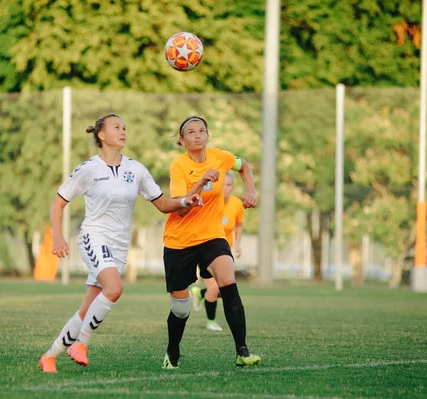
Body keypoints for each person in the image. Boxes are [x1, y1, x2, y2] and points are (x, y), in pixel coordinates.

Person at [38, 114, 202, 372]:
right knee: (114, 288)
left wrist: (184, 202)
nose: (123, 131)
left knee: (87, 309)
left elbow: (162, 204)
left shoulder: (136, 169)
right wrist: (57, 237)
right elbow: (58, 204)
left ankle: (49, 356)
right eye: (117, 127)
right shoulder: (88, 169)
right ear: (102, 135)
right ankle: (81, 343)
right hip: (94, 237)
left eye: (125, 127)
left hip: (118, 247)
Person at [161, 115, 261, 369]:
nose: (197, 135)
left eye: (202, 130)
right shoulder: (178, 166)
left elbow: (243, 165)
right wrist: (201, 182)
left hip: (212, 237)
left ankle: (242, 351)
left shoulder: (222, 157)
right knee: (181, 310)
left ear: (208, 135)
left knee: (227, 280)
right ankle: (172, 352)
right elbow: (180, 208)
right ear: (182, 140)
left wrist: (250, 189)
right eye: (191, 132)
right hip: (179, 241)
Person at [190, 172, 244, 331]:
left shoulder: (237, 204)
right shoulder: (209, 202)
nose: (226, 188)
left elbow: (239, 224)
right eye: (223, 185)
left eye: (229, 185)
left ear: (233, 188)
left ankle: (200, 294)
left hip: (225, 253)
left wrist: (238, 244)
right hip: (207, 250)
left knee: (225, 289)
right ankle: (211, 321)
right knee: (214, 289)